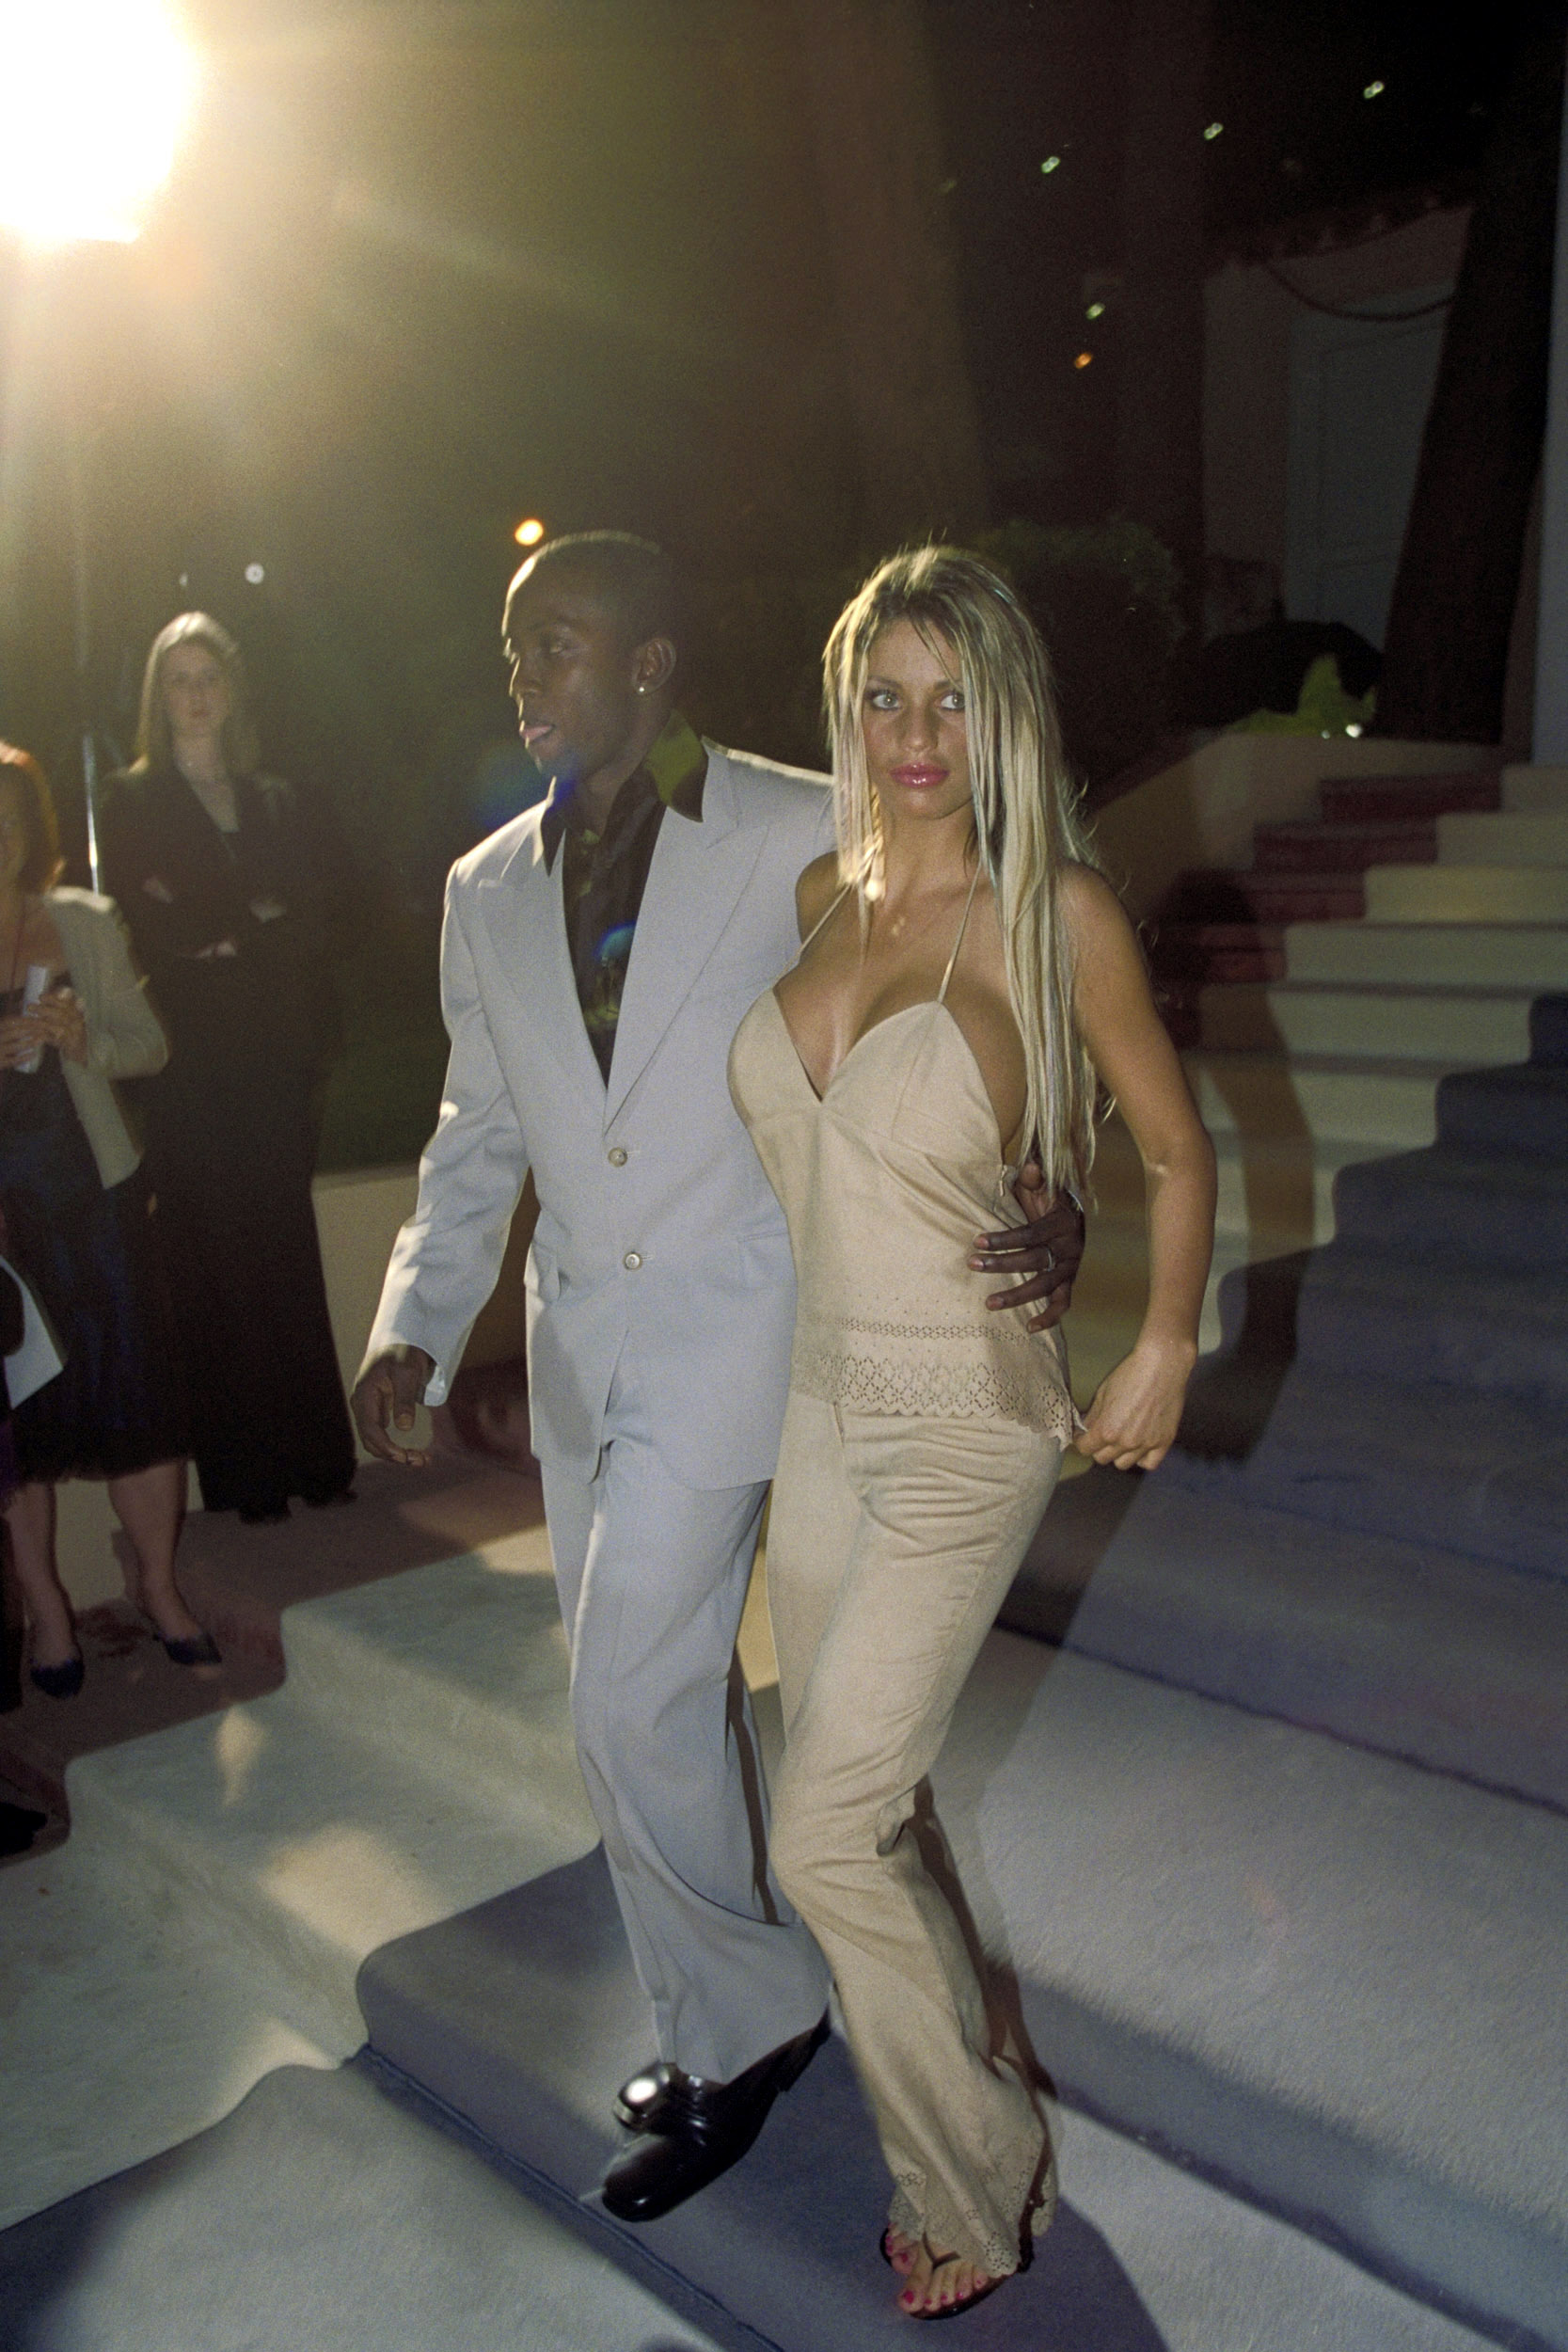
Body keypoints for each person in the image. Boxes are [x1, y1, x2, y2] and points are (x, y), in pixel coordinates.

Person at [352, 532, 1086, 2224]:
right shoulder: (481, 891)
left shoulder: (788, 823)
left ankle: (746, 2026)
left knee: (625, 1696)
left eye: (559, 646)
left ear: (654, 662)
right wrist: (414, 1317)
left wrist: (1055, 1169)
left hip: (750, 1329)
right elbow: (479, 1133)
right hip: (576, 1351)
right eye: (514, 649)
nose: (526, 676)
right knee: (650, 1699)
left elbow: (989, 943)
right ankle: (721, 2001)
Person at [728, 547, 1217, 2320]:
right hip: (816, 1411)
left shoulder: (1056, 908)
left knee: (819, 1833)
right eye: (884, 695)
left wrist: (1161, 1333)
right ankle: (955, 2112)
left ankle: (975, 2170)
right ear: (846, 710)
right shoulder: (812, 891)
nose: (915, 733)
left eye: (951, 697)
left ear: (1001, 710)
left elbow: (1172, 1146)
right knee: (866, 1803)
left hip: (964, 1425)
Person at [98, 615, 356, 1524]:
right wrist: (255, 913)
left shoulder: (279, 797)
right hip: (190, 1061)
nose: (196, 694)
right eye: (179, 679)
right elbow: (154, 925)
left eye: (210, 676)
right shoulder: (127, 801)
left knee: (284, 1252)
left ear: (232, 690)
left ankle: (317, 1461)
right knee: (210, 1263)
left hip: (276, 1055)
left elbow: (321, 915)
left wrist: (223, 920)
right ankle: (247, 1481)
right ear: (157, 695)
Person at [0, 743, 215, 1695]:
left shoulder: (82, 920)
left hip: (97, 1202)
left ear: (31, 829)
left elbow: (151, 1047)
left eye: (9, 815)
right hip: (8, 1226)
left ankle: (160, 1591)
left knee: (139, 1409)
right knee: (20, 1428)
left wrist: (83, 1036)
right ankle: (49, 1614)